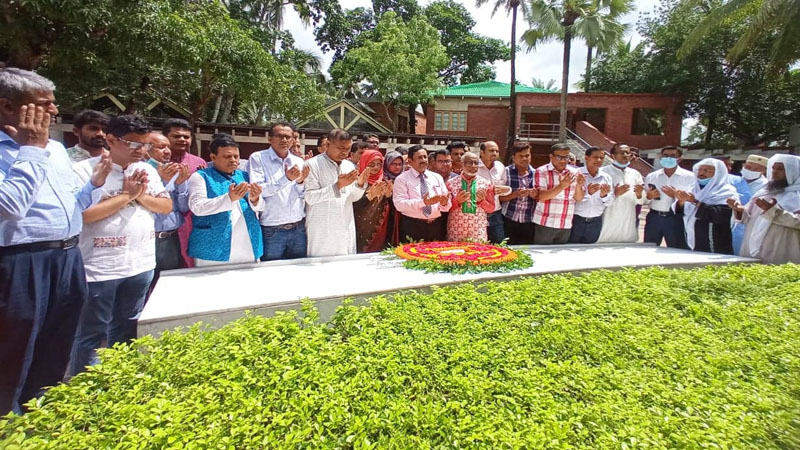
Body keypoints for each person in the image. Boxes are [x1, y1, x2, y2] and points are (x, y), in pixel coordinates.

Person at [0, 67, 111, 415]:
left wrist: (93, 185)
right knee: (14, 350)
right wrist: (31, 149)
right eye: (43, 103)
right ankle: (8, 423)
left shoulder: (56, 149)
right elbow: (10, 207)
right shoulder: (29, 149)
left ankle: (41, 415)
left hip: (66, 256)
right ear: (7, 105)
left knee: (55, 345)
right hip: (20, 261)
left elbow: (72, 204)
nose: (53, 110)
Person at [69, 114, 172, 377]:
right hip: (99, 267)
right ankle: (86, 387)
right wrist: (127, 195)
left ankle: (120, 380)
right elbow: (82, 216)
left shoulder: (147, 170)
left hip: (141, 263)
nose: (141, 150)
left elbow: (165, 206)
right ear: (112, 140)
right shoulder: (86, 170)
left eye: (145, 145)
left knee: (127, 327)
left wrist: (140, 196)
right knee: (92, 332)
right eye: (134, 144)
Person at [187, 134, 263, 266]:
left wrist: (255, 199)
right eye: (227, 156)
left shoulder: (245, 176)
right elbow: (197, 207)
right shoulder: (200, 177)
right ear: (213, 157)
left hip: (248, 243)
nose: (233, 160)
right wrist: (229, 199)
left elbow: (260, 207)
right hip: (212, 247)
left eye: (236, 156)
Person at [248, 123, 310, 261]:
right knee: (271, 270)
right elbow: (259, 190)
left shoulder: (298, 161)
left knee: (299, 269)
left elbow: (302, 195)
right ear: (269, 138)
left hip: (298, 227)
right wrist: (286, 179)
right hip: (272, 230)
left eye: (288, 137)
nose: (285, 140)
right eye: (280, 136)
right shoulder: (258, 158)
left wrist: (300, 182)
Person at [305, 129, 369, 257]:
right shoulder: (312, 165)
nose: (344, 152)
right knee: (319, 265)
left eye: (347, 148)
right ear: (328, 144)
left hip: (345, 224)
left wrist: (360, 184)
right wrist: (336, 187)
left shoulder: (349, 166)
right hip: (322, 228)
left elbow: (352, 198)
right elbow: (309, 197)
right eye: (340, 148)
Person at [730, 154, 800, 263]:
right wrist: (739, 210)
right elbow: (749, 216)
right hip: (751, 247)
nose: (774, 172)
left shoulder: (797, 196)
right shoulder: (764, 192)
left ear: (794, 171)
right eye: (773, 168)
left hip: (781, 246)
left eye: (780, 169)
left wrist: (774, 212)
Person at [146, 132, 191, 282]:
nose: (167, 151)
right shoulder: (140, 172)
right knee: (145, 284)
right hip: (148, 239)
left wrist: (181, 184)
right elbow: (153, 204)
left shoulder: (174, 172)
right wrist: (164, 182)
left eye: (168, 147)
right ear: (146, 149)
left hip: (170, 238)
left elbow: (184, 208)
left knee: (167, 282)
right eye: (160, 147)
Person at [163, 118, 206, 268]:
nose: (182, 139)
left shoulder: (199, 163)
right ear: (165, 137)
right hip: (165, 226)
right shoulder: (157, 163)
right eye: (176, 136)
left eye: (186, 137)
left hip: (191, 223)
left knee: (190, 266)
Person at [674, 158, 738, 254]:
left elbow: (722, 214)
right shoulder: (692, 188)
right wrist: (681, 201)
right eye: (700, 170)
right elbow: (679, 211)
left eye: (707, 170)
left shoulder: (726, 190)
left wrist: (694, 201)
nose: (701, 173)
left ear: (718, 173)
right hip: (691, 232)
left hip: (714, 234)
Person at [393, 145, 450, 242]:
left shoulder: (437, 177)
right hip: (413, 225)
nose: (423, 160)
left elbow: (446, 204)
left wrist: (444, 203)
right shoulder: (402, 179)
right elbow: (399, 204)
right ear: (410, 161)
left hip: (435, 226)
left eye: (425, 157)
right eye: (420, 157)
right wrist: (424, 202)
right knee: (410, 252)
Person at [643, 146, 695, 248]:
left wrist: (676, 196)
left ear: (680, 158)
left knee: (677, 248)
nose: (668, 158)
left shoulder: (690, 177)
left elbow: (693, 199)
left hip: (676, 218)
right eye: (665, 155)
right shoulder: (652, 176)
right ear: (660, 157)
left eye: (672, 156)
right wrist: (649, 196)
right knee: (649, 247)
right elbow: (645, 198)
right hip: (654, 217)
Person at [533, 143, 585, 244]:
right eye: (559, 157)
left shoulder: (575, 172)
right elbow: (541, 196)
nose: (563, 160)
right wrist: (561, 186)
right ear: (551, 157)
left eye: (566, 157)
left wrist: (579, 187)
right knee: (542, 251)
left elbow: (579, 198)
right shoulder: (542, 171)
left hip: (565, 223)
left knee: (560, 252)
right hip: (545, 222)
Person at [597, 143, 644, 243]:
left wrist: (639, 194)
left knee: (626, 242)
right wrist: (615, 193)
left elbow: (641, 200)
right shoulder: (602, 172)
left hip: (628, 215)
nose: (625, 155)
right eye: (622, 153)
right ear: (612, 155)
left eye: (628, 153)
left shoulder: (635, 174)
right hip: (608, 216)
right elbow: (596, 198)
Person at [446, 152, 495, 241]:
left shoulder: (486, 184)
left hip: (478, 230)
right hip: (456, 229)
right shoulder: (451, 183)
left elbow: (491, 208)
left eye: (476, 163)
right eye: (470, 163)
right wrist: (457, 201)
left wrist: (482, 201)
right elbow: (445, 208)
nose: (473, 166)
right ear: (462, 164)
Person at [569, 146, 613, 244]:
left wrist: (604, 196)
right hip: (576, 220)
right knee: (571, 247)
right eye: (595, 157)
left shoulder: (606, 177)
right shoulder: (576, 174)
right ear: (586, 157)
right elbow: (571, 198)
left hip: (596, 221)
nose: (599, 160)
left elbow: (610, 202)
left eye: (601, 158)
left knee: (590, 249)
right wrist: (587, 193)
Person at [354, 150, 393, 252]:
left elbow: (389, 208)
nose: (376, 167)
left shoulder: (384, 181)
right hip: (358, 225)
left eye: (379, 164)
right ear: (364, 163)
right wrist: (369, 197)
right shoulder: (356, 181)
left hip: (378, 227)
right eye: (371, 164)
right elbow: (350, 205)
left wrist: (388, 197)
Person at [501, 141, 537, 244]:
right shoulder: (506, 172)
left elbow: (541, 198)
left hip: (529, 220)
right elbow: (499, 198)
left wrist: (535, 196)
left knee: (526, 250)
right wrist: (515, 194)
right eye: (521, 156)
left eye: (527, 155)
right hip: (509, 218)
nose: (524, 159)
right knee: (508, 249)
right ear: (513, 157)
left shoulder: (536, 173)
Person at [731, 154, 769, 254]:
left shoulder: (766, 186)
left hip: (751, 225)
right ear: (743, 165)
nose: (751, 170)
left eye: (756, 169)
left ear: (764, 171)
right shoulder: (734, 181)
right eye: (748, 167)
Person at [477, 141, 507, 244]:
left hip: (496, 213)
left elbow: (504, 187)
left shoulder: (500, 167)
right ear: (482, 152)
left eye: (497, 151)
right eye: (491, 151)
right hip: (478, 214)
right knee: (479, 245)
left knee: (499, 244)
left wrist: (505, 190)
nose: (494, 153)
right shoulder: (474, 166)